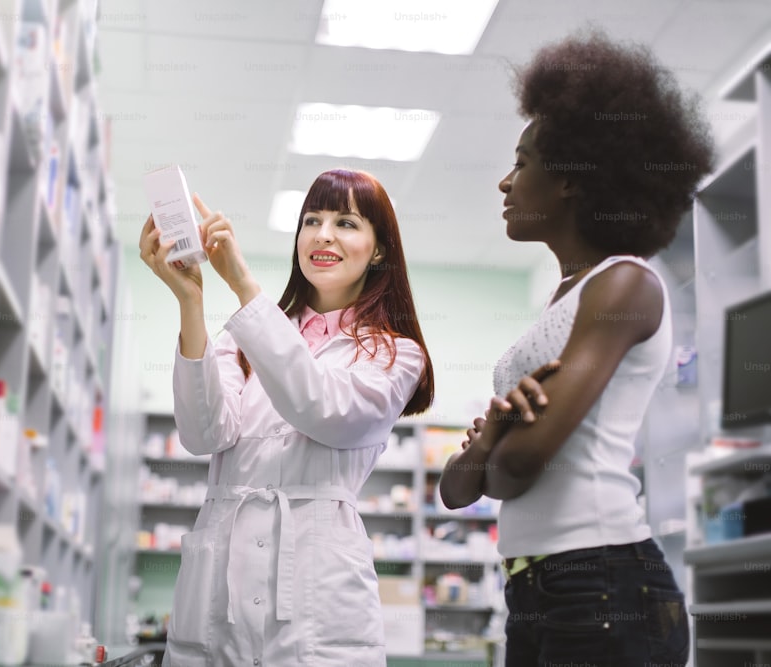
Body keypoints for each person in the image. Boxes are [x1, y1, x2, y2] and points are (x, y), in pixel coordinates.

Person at [438, 30, 715, 666]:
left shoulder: (623, 283)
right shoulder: (564, 304)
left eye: (523, 163)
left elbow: (516, 470)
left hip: (603, 582)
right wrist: (490, 442)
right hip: (536, 586)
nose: (505, 183)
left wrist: (498, 449)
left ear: (569, 179)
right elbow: (458, 489)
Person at [139, 168, 435, 667]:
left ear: (379, 249)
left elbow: (323, 409)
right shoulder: (243, 338)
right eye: (312, 220)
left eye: (346, 222)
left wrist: (243, 284)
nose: (322, 234)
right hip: (220, 590)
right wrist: (191, 301)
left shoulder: (395, 355)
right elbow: (203, 433)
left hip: (319, 599)